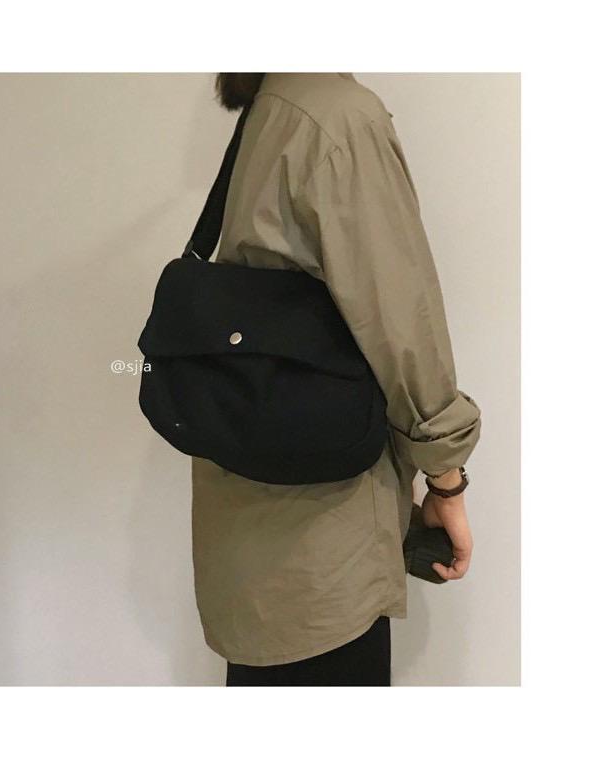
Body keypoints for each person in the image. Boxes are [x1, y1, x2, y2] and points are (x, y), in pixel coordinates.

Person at [190, 73, 482, 687]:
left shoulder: (269, 106)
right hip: (319, 537)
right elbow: (400, 322)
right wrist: (447, 480)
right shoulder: (340, 115)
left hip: (248, 528)